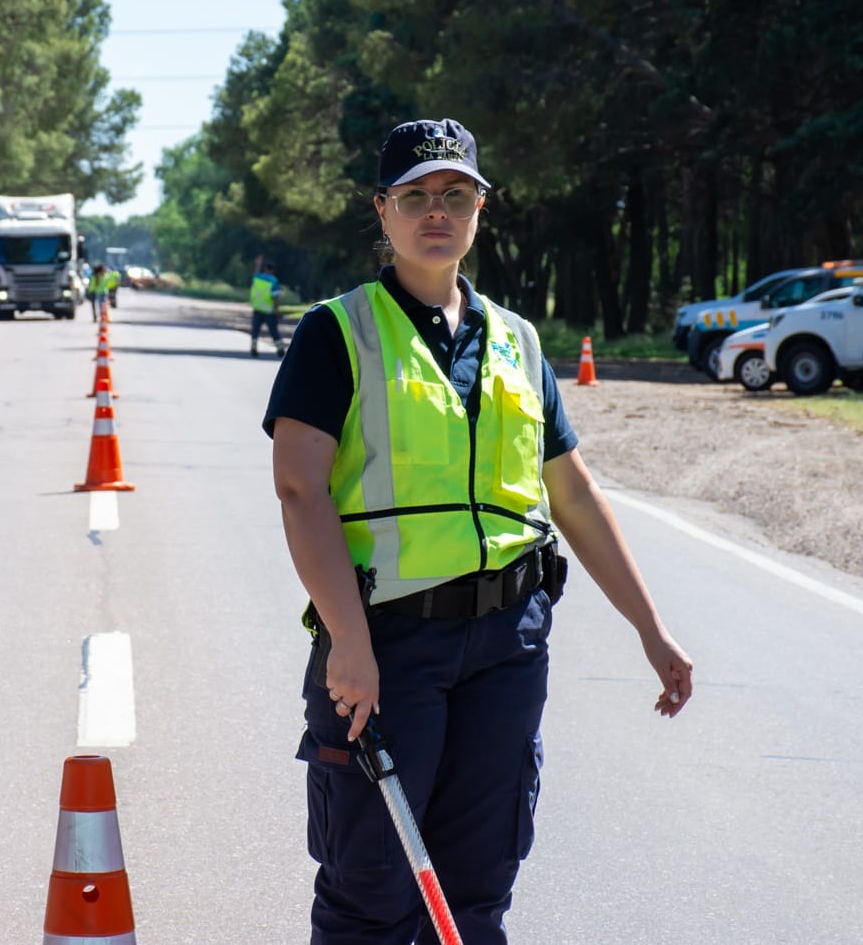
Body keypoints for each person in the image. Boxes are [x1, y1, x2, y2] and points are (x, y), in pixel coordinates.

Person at [263, 117, 694, 944]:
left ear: (479, 209)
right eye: (416, 195)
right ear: (382, 210)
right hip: (387, 643)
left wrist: (650, 627)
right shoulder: (337, 331)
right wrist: (348, 642)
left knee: (478, 889)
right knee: (373, 891)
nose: (437, 211)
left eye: (455, 195)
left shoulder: (518, 341)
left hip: (507, 646)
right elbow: (298, 489)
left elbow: (572, 494)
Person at [249, 255, 287, 358]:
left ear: (265, 268)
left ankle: (253, 348)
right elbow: (275, 297)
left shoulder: (258, 277)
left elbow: (255, 273)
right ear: (273, 270)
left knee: (255, 330)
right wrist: (277, 310)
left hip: (257, 308)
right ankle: (280, 349)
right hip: (269, 310)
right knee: (273, 330)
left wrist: (258, 264)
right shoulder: (273, 281)